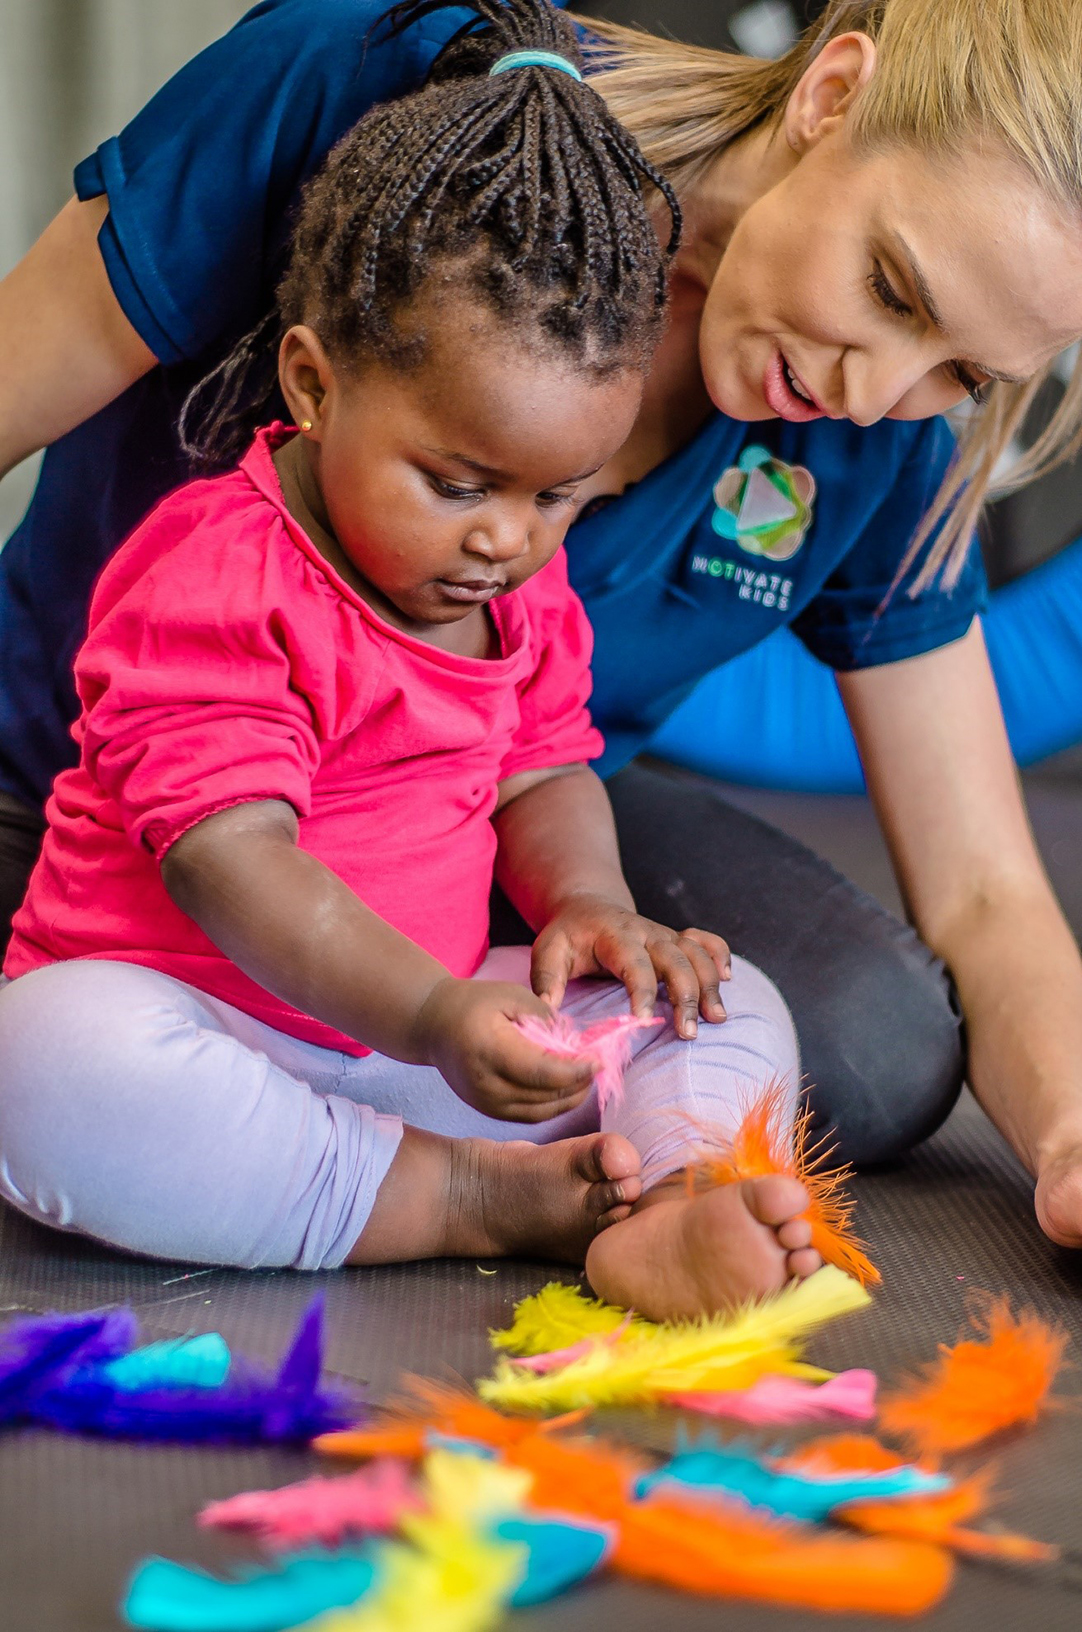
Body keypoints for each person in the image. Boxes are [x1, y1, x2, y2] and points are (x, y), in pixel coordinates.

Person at [0, 0, 1081, 1246]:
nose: (876, 391)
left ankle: (638, 1204)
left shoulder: (872, 448)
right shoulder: (380, 87)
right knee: (58, 1059)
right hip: (109, 827)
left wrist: (1066, 1151)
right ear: (830, 94)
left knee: (859, 1037)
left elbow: (986, 889)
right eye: (890, 287)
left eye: (963, 373)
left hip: (458, 860)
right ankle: (428, 1183)